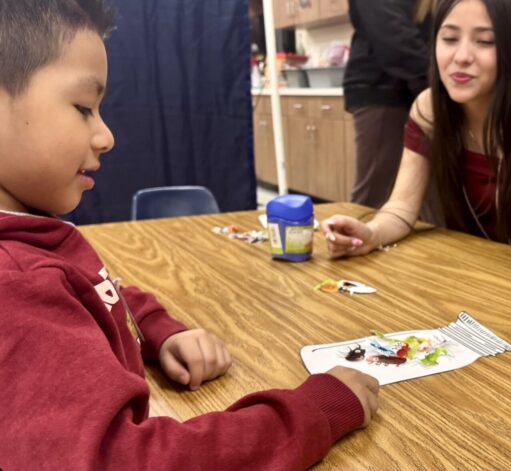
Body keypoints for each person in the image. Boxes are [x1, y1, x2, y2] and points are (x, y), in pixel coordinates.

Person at [0, 1, 379, 469]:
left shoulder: (28, 233)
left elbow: (94, 291)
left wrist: (156, 330)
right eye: (83, 108)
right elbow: (124, 460)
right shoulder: (15, 283)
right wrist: (313, 412)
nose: (105, 136)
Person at [324, 0, 511, 262]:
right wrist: (370, 233)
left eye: (485, 41)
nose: (461, 57)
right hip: (470, 251)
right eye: (450, 39)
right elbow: (402, 208)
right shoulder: (429, 109)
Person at [344, 0, 434, 211]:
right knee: (374, 197)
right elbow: (392, 34)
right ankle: (352, 241)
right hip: (385, 88)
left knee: (425, 196)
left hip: (408, 87)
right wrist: (434, 83)